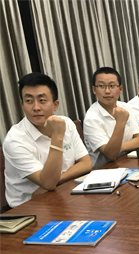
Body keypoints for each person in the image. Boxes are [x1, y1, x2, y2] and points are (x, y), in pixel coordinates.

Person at [3, 73, 92, 208]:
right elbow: (49, 183)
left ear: (55, 105)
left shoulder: (66, 123)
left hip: (64, 191)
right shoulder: (15, 139)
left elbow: (86, 163)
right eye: (29, 101)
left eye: (42, 100)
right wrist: (57, 136)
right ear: (22, 105)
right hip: (28, 207)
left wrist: (57, 180)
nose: (36, 107)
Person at [84, 67, 139, 167]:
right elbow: (111, 155)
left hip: (127, 161)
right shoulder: (91, 118)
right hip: (104, 168)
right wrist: (120, 122)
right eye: (101, 86)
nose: (107, 91)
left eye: (112, 86)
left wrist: (118, 147)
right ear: (94, 90)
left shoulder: (125, 107)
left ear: (120, 89)